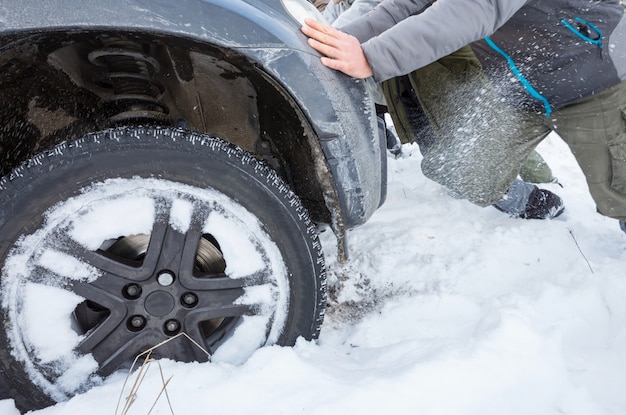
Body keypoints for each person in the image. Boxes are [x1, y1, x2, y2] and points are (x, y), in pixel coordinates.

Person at [301, 0, 626, 232]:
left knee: (619, 187)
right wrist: (323, 44)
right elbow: (405, 6)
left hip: (593, 76)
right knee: (463, 169)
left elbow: (476, 7)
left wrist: (371, 57)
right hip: (521, 86)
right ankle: (515, 197)